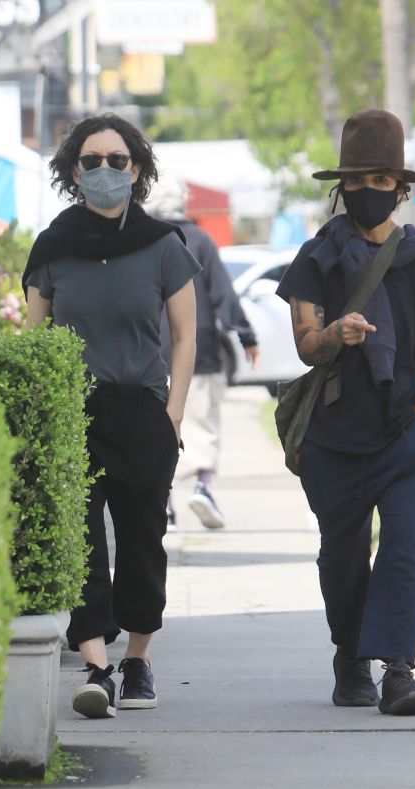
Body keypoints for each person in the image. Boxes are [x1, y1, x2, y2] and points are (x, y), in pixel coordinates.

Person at [276, 108, 415, 715]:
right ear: (341, 187)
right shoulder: (316, 258)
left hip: (408, 432)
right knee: (343, 557)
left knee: (407, 545)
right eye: (357, 181)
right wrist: (337, 334)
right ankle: (351, 657)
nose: (368, 192)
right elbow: (306, 347)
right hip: (335, 436)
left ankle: (399, 671)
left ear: (401, 189)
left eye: (381, 182)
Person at [22, 114, 200, 719]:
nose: (104, 171)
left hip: (143, 413)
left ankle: (138, 659)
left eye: (116, 161)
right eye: (91, 161)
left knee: (144, 541)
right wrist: (42, 420)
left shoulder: (163, 246)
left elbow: (183, 338)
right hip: (73, 415)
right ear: (73, 172)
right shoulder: (52, 247)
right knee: (82, 543)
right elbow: (34, 340)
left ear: (137, 170)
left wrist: (173, 413)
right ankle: (98, 665)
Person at [145, 174, 259, 529]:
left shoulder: (144, 243)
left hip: (151, 350)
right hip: (199, 348)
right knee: (202, 422)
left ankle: (164, 502)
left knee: (158, 427)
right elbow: (223, 292)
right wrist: (245, 334)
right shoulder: (199, 240)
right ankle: (203, 487)